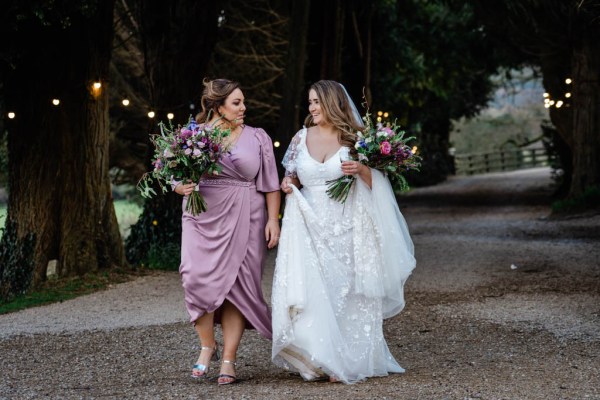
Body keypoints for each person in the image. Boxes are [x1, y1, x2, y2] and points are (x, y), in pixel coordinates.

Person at [271, 80, 416, 384]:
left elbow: (381, 190)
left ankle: (348, 358)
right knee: (314, 290)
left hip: (347, 226)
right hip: (309, 225)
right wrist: (289, 186)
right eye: (309, 102)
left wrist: (363, 170)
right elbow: (292, 177)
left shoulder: (355, 139)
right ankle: (319, 357)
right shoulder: (300, 138)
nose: (312, 108)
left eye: (317, 102)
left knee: (346, 293)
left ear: (333, 103)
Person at [174, 78, 280, 385]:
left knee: (238, 288)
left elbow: (271, 183)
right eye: (237, 103)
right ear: (217, 107)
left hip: (247, 215)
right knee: (194, 277)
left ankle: (229, 359)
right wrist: (179, 186)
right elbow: (173, 174)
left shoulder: (258, 137)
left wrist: (274, 220)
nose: (244, 108)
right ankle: (208, 346)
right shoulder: (194, 137)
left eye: (243, 102)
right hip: (202, 215)